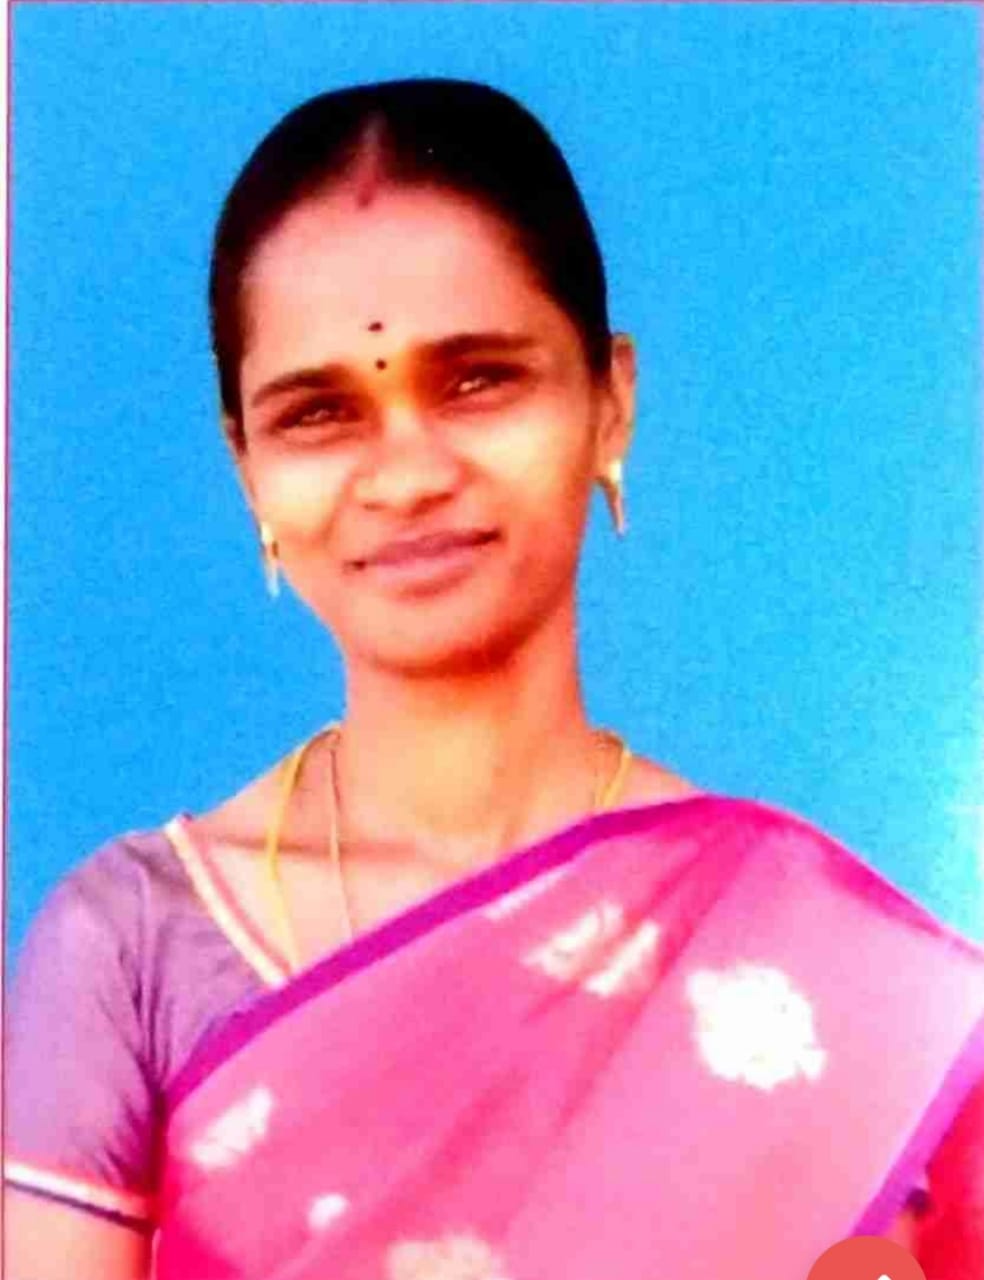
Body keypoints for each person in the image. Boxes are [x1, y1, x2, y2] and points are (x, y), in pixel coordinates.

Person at [4, 78, 983, 1280]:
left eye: (477, 380)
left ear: (610, 403)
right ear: (247, 468)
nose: (407, 473)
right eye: (318, 412)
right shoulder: (131, 948)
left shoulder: (823, 974)